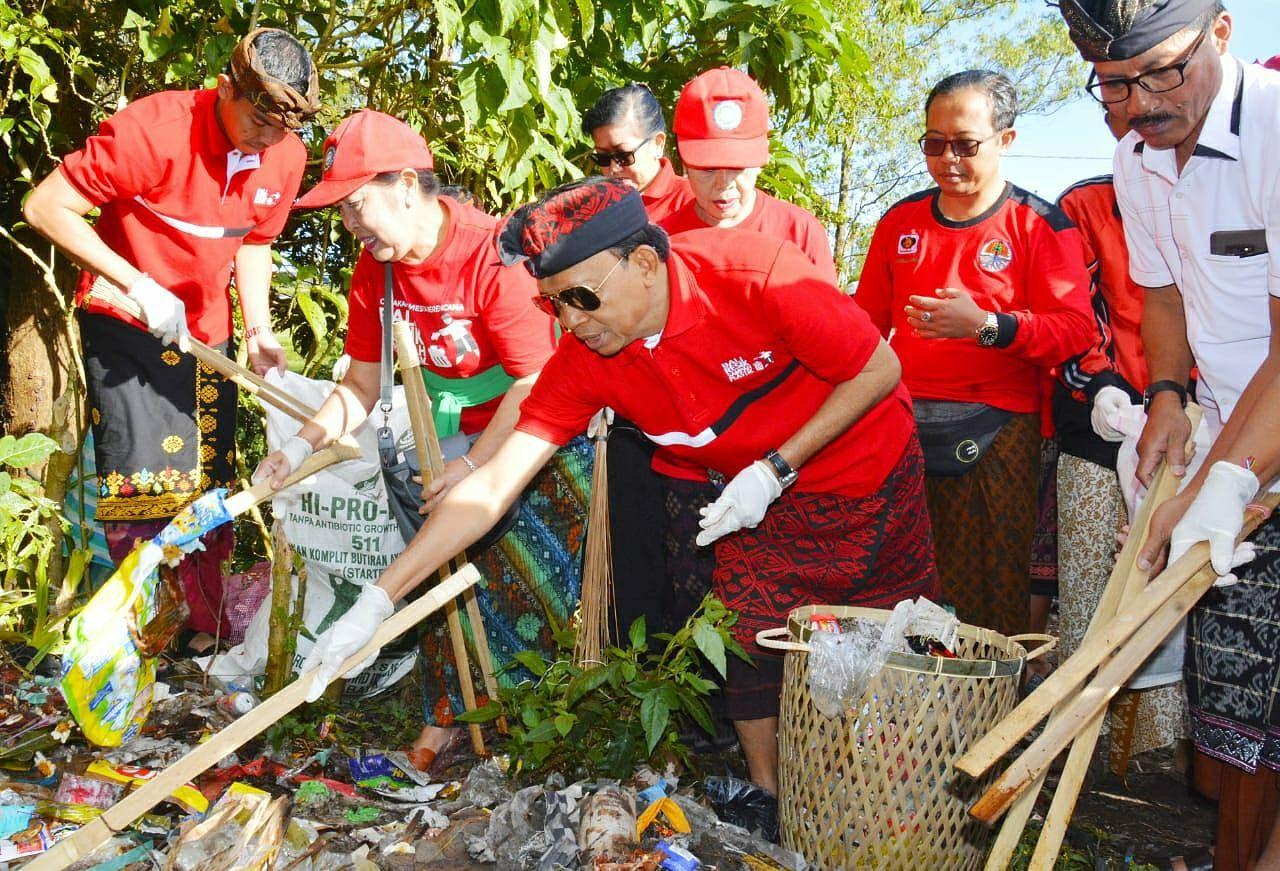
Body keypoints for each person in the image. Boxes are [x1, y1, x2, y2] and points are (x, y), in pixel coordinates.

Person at [299, 178, 939, 794]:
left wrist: (776, 469)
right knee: (745, 633)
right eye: (552, 304)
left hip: (860, 475)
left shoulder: (756, 273)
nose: (569, 322)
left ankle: (897, 778)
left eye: (581, 297)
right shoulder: (586, 360)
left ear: (644, 262)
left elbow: (878, 369)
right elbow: (491, 487)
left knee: (888, 635)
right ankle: (769, 795)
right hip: (741, 495)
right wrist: (377, 603)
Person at [253, 110, 589, 771]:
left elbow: (534, 381)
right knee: (437, 571)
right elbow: (360, 383)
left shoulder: (491, 254)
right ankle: (444, 721)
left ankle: (522, 728)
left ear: (407, 185)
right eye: (343, 214)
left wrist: (474, 462)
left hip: (532, 433)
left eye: (357, 206)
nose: (352, 226)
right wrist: (297, 447)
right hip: (448, 439)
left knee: (523, 583)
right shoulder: (373, 268)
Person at [1054, 1, 1280, 867]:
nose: (1142, 103)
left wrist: (1214, 487)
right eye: (1115, 83)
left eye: (1164, 72)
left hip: (1260, 435)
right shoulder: (1136, 156)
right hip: (1237, 433)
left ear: (1221, 33)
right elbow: (1165, 295)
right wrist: (1171, 400)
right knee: (1236, 708)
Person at [22, 28, 319, 647]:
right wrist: (139, 284)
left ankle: (204, 631)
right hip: (125, 321)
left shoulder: (284, 156)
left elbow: (256, 242)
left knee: (210, 481)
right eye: (258, 120)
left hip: (207, 334)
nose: (268, 139)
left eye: (282, 129)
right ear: (226, 88)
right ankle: (144, 634)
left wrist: (259, 330)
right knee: (143, 481)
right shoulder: (154, 130)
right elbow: (44, 206)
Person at [855, 69, 1094, 638]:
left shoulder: (1039, 226)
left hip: (1000, 432)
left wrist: (988, 327)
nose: (947, 159)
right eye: (934, 144)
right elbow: (862, 328)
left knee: (990, 595)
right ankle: (913, 714)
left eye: (965, 144)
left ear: (1005, 140)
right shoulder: (899, 222)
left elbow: (1075, 331)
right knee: (905, 587)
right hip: (906, 425)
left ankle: (990, 714)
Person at [1054, 107, 1185, 762]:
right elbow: (1070, 307)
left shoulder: (1209, 197)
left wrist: (1181, 396)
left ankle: (1158, 745)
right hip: (1098, 420)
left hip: (1189, 424)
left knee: (1167, 576)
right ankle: (1082, 731)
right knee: (1086, 580)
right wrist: (1100, 382)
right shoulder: (1081, 204)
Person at [658, 67, 839, 286]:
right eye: (708, 170)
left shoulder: (801, 233)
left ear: (760, 162)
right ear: (684, 163)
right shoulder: (661, 242)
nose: (723, 184)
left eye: (737, 168)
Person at [582, 83, 694, 223]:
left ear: (657, 144)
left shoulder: (694, 204)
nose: (613, 169)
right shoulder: (592, 205)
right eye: (603, 158)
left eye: (623, 155)